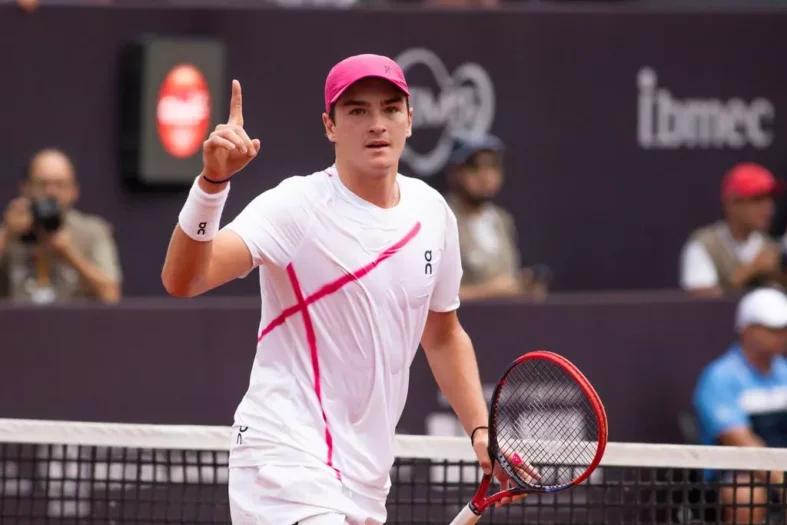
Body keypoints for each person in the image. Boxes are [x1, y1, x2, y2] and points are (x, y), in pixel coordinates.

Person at [161, 54, 523, 525]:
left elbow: (442, 335)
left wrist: (479, 430)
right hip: (283, 461)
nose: (377, 124)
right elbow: (184, 280)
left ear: (410, 120)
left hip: (365, 479)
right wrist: (212, 185)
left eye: (390, 109)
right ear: (329, 126)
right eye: (357, 111)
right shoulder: (296, 206)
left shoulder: (432, 213)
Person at [693, 287, 787, 524]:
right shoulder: (719, 377)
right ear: (746, 330)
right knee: (745, 493)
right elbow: (740, 440)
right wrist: (780, 479)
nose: (781, 335)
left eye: (784, 328)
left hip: (781, 467)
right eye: (772, 329)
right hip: (735, 472)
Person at [0, 149, 122, 304]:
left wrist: (69, 255)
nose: (50, 192)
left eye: (60, 185)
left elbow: (111, 296)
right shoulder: (10, 229)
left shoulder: (93, 232)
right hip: (14, 318)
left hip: (74, 318)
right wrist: (6, 235)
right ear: (25, 187)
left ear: (74, 191)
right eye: (42, 184)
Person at [445, 132, 551, 301]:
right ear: (455, 172)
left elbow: (508, 283)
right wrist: (489, 291)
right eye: (474, 167)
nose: (485, 176)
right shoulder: (440, 219)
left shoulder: (502, 220)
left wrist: (523, 287)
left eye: (493, 166)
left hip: (505, 316)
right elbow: (430, 297)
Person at [680, 162, 786, 297]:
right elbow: (702, 301)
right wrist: (751, 270)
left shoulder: (772, 247)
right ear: (732, 203)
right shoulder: (706, 244)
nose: (768, 208)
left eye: (770, 199)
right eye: (757, 199)